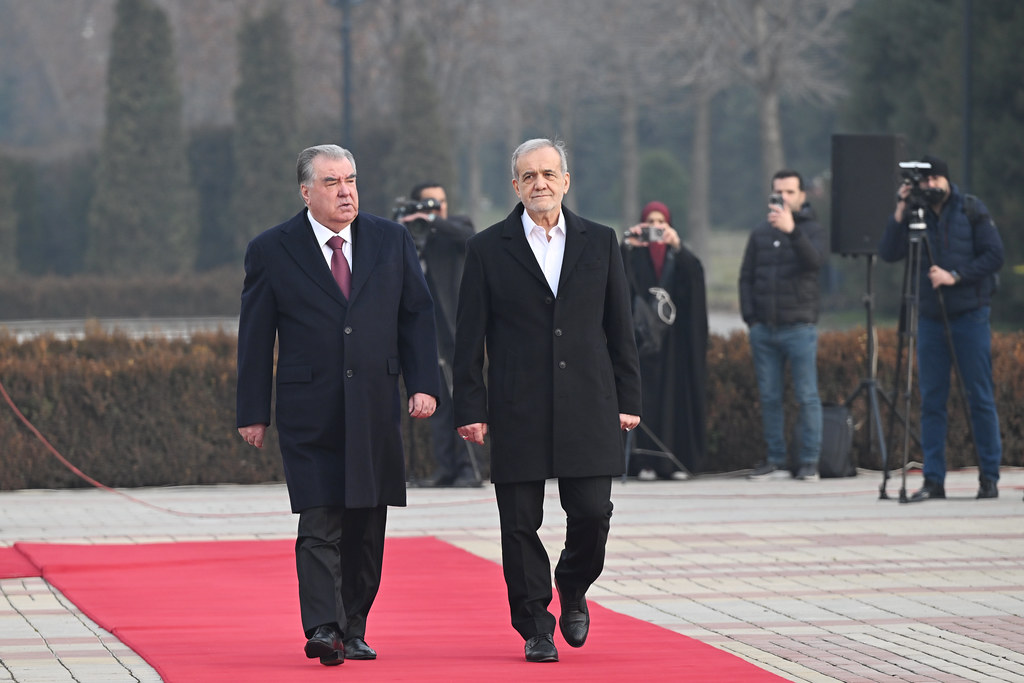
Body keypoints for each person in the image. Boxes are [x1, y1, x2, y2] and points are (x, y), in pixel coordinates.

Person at [236, 144, 440, 666]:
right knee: (319, 516)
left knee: (366, 524)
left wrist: (423, 384)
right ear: (305, 192)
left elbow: (416, 316)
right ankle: (324, 627)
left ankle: (354, 626)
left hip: (374, 405)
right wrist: (253, 411)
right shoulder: (271, 249)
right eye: (331, 182)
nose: (345, 191)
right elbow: (255, 336)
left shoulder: (390, 239)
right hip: (309, 409)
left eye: (350, 180)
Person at [453, 138, 642, 663]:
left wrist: (629, 396)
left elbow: (620, 327)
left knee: (593, 514)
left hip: (590, 403)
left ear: (566, 181)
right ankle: (536, 625)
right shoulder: (486, 249)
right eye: (530, 176)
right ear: (515, 185)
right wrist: (470, 407)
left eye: (549, 174)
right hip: (518, 405)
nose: (540, 183)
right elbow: (469, 337)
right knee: (519, 524)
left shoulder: (600, 241)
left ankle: (573, 585)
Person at [877, 155, 1004, 501]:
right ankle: (933, 479)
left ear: (947, 181)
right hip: (930, 318)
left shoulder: (971, 210)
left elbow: (995, 255)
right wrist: (900, 209)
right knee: (932, 400)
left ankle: (989, 476)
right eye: (925, 180)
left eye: (936, 179)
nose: (930, 186)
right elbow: (888, 252)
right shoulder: (914, 215)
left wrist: (955, 276)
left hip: (970, 315)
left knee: (979, 397)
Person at [739, 169, 825, 481]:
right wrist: (751, 319)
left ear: (802, 195)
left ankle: (810, 462)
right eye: (778, 192)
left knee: (806, 396)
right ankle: (775, 460)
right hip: (764, 329)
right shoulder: (760, 233)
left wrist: (792, 232)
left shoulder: (812, 230)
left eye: (790, 192)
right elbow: (746, 277)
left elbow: (815, 263)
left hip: (799, 327)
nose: (784, 198)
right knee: (769, 397)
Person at [398, 182, 481, 487]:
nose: (438, 208)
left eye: (440, 202)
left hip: (456, 331)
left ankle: (470, 469)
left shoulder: (455, 226)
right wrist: (404, 224)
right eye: (430, 203)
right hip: (426, 333)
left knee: (464, 401)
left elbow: (469, 237)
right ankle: (445, 468)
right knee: (437, 403)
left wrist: (431, 219)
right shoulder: (408, 233)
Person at [621, 200, 708, 480]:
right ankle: (644, 462)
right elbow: (617, 281)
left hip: (673, 346)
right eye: (651, 223)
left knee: (675, 402)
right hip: (642, 343)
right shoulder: (634, 255)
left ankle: (674, 463)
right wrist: (627, 246)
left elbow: (694, 281)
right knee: (644, 402)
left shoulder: (677, 257)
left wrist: (678, 247)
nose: (656, 228)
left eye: (662, 223)